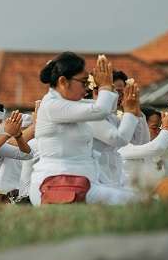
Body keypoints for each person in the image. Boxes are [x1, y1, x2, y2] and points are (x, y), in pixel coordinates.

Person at [31, 52, 137, 205]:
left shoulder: (70, 105)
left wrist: (127, 108)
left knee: (140, 199)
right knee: (137, 201)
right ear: (63, 82)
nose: (86, 89)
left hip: (80, 182)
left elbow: (107, 107)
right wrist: (105, 86)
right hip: (57, 184)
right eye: (83, 82)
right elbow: (101, 110)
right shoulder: (52, 106)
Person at [119, 100, 168, 190]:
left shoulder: (156, 144)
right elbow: (157, 148)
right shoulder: (122, 145)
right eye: (154, 127)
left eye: (160, 127)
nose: (159, 131)